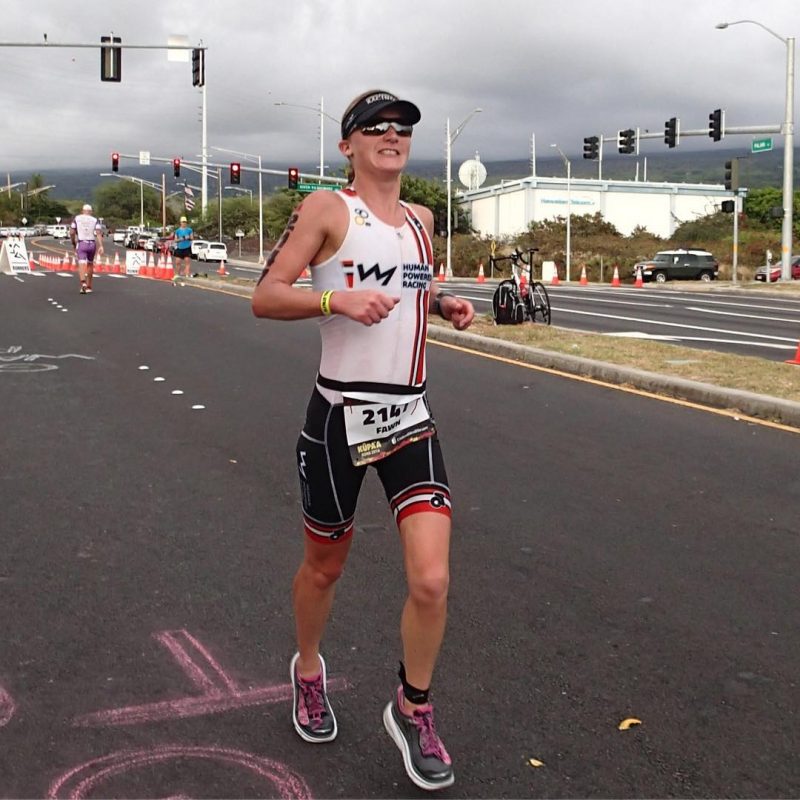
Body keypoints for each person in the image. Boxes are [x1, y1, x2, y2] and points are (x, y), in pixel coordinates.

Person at [252, 89, 474, 792]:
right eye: (374, 126)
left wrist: (442, 302)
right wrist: (334, 299)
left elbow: (412, 286)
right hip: (338, 419)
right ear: (348, 145)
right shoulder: (326, 209)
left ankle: (412, 706)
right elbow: (266, 294)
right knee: (325, 566)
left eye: (402, 126)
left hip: (409, 416)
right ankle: (309, 670)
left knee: (432, 580)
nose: (392, 135)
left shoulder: (422, 221)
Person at [69, 203, 104, 294]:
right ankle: (89, 286)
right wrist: (101, 245)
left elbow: (72, 232)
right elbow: (98, 232)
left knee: (81, 263)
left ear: (82, 211)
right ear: (91, 212)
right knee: (90, 264)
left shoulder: (77, 218)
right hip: (92, 243)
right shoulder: (94, 220)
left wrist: (73, 242)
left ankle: (83, 282)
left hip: (82, 243)